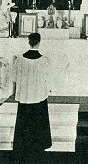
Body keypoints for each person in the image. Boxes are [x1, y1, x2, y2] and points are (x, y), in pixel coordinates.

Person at [12, 33, 52, 163]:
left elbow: (15, 78)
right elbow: (47, 79)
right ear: (39, 42)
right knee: (38, 122)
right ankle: (38, 147)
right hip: (39, 96)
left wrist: (16, 92)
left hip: (25, 96)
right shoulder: (45, 60)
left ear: (28, 42)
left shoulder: (19, 59)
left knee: (24, 122)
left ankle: (23, 147)